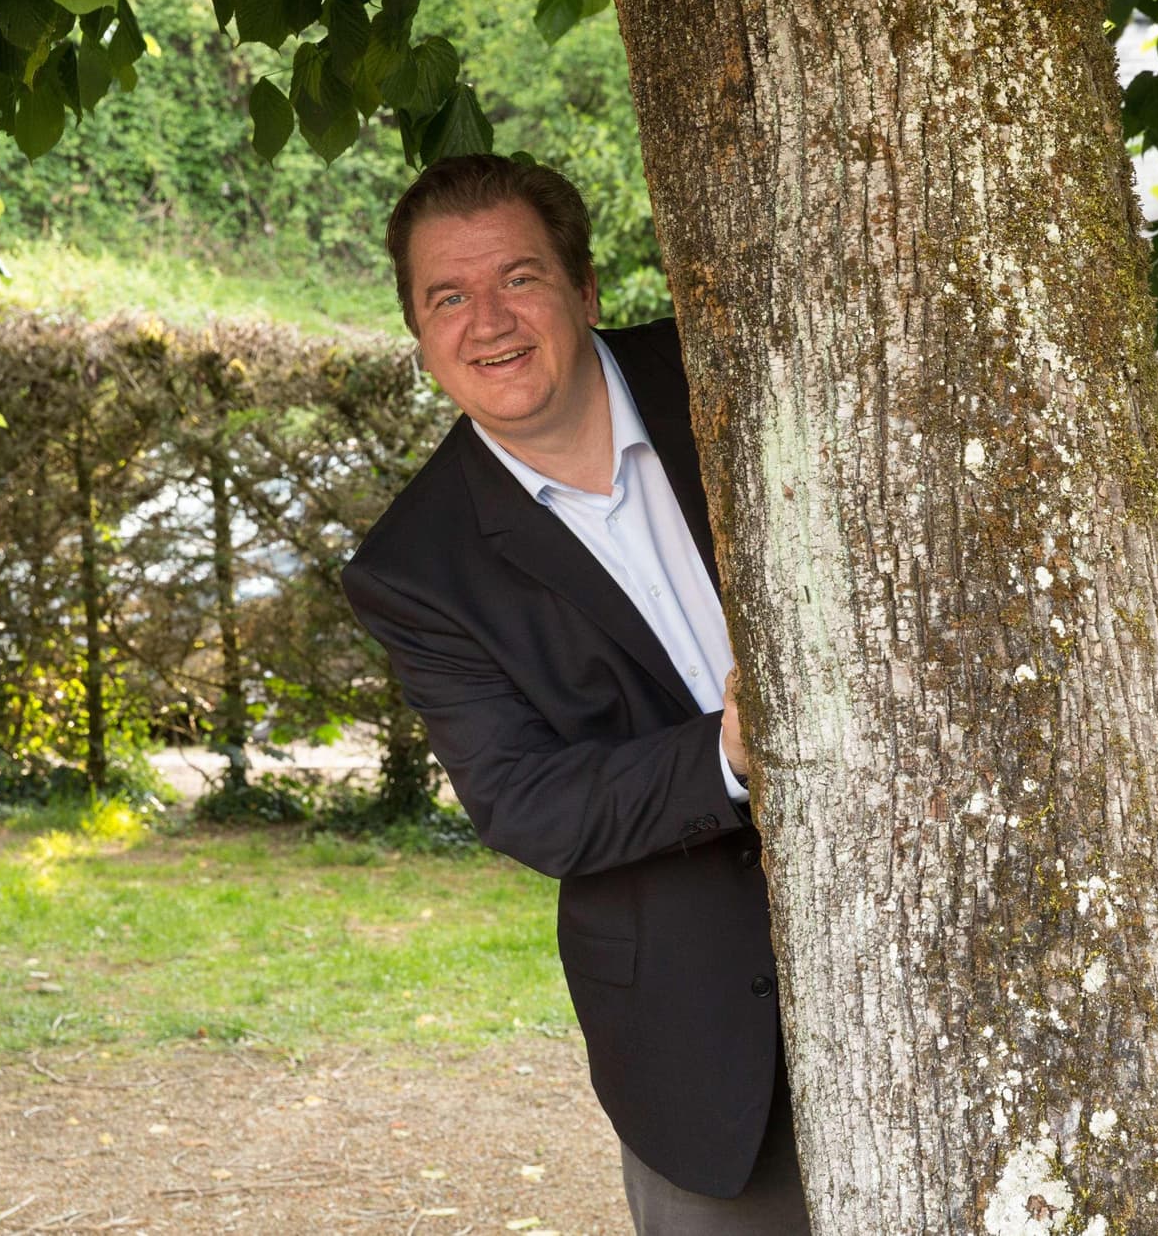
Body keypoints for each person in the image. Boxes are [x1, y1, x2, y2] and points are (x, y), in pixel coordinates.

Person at [342, 153, 808, 1231]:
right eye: (447, 298)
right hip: (697, 1035)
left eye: (519, 277)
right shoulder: (413, 567)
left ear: (585, 289)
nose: (488, 322)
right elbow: (527, 802)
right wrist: (727, 753)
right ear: (419, 336)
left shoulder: (729, 370)